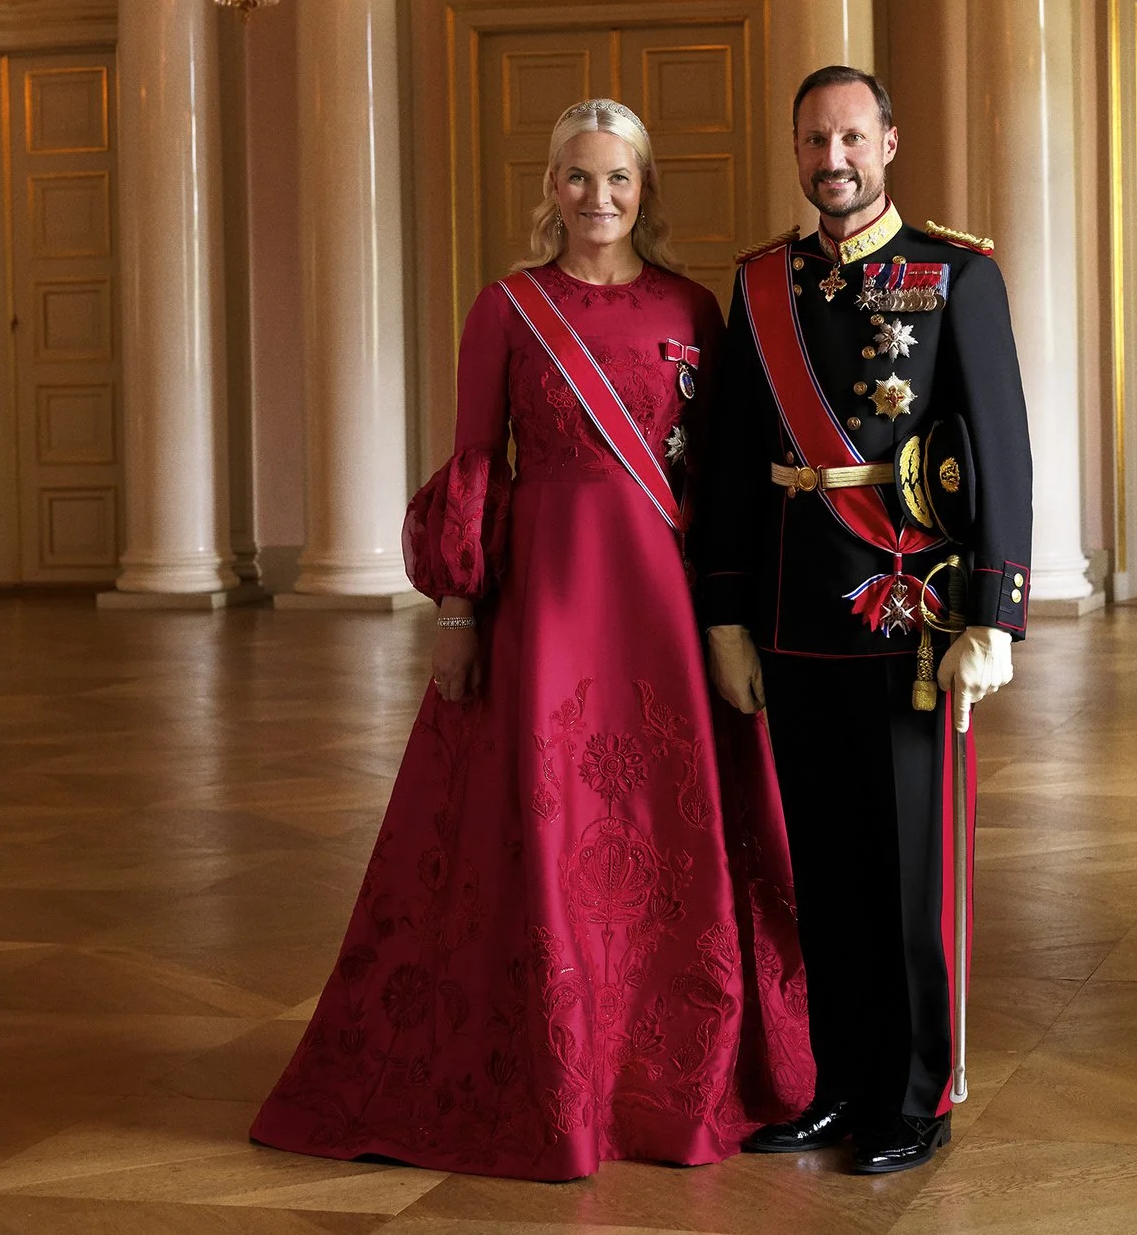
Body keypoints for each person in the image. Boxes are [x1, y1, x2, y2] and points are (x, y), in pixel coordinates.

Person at [250, 99, 813, 1181]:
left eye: (618, 178)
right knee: (553, 829)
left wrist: (733, 615)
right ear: (551, 187)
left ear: (645, 191)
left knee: (665, 828)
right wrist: (458, 615)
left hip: (663, 608)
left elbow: (721, 477)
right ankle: (559, 1074)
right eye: (578, 176)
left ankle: (664, 1077)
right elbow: (477, 463)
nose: (598, 197)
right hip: (547, 611)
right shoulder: (506, 308)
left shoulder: (693, 309)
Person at [694, 65, 1032, 1176]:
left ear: (887, 143)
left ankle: (915, 1095)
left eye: (849, 138)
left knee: (907, 877)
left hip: (910, 616)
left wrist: (995, 615)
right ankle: (838, 1083)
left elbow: (1003, 446)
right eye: (812, 141)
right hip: (793, 614)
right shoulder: (761, 283)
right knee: (825, 867)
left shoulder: (956, 273)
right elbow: (732, 465)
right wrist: (726, 617)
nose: (830, 160)